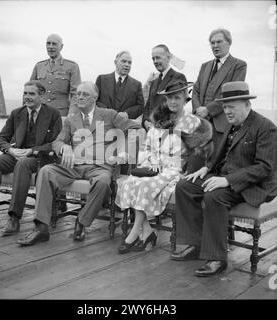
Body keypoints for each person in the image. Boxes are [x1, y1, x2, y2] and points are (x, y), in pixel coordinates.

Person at [172, 81, 277, 277]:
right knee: (184, 185)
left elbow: (264, 168)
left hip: (252, 185)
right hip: (224, 177)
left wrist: (228, 180)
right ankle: (195, 244)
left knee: (215, 195)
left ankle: (217, 258)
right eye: (225, 106)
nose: (227, 111)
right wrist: (206, 168)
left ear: (247, 104)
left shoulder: (266, 127)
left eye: (232, 106)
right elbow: (222, 156)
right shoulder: (234, 124)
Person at [16, 81, 141, 246]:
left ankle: (81, 222)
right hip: (73, 166)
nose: (80, 97)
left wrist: (124, 152)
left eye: (85, 94)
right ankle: (41, 227)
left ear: (95, 97)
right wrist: (64, 147)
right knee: (46, 171)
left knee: (103, 182)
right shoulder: (71, 120)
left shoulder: (109, 115)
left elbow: (135, 129)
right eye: (78, 94)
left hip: (100, 167)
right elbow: (57, 142)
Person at [115, 80, 213, 254]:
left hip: (177, 170)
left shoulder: (194, 123)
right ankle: (147, 231)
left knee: (145, 185)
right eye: (170, 98)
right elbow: (149, 147)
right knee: (130, 182)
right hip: (155, 166)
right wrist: (152, 163)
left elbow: (199, 156)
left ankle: (134, 233)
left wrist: (185, 172)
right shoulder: (160, 120)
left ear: (185, 99)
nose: (173, 102)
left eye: (177, 98)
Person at [0, 80, 62, 235]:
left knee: (22, 165)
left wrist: (32, 150)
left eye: (31, 94)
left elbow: (56, 142)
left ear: (41, 96)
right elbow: (0, 138)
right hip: (16, 154)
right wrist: (10, 150)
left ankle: (14, 217)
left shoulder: (53, 114)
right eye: (25, 93)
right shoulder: (17, 113)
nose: (27, 97)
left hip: (38, 158)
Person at [192, 28, 247, 150]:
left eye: (219, 42)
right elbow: (196, 91)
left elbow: (231, 94)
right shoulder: (204, 66)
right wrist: (198, 110)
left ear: (229, 43)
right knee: (197, 162)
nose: (215, 45)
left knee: (216, 165)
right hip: (200, 123)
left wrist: (208, 109)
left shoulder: (239, 65)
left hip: (222, 125)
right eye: (212, 43)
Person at [30, 34, 81, 116]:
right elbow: (29, 90)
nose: (50, 46)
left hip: (61, 114)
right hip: (40, 113)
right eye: (48, 43)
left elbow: (75, 94)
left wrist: (72, 114)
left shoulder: (72, 66)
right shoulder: (39, 66)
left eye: (54, 44)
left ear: (61, 47)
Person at [142, 44, 187, 131]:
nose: (155, 61)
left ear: (168, 57)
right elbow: (148, 106)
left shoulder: (178, 77)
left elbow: (177, 107)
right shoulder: (154, 81)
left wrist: (158, 125)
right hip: (151, 132)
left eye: (158, 57)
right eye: (153, 58)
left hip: (168, 131)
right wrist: (145, 121)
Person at [95, 51, 144, 120]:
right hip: (101, 123)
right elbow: (94, 100)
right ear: (115, 62)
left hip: (124, 125)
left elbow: (140, 106)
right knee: (99, 131)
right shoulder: (101, 79)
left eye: (129, 62)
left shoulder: (137, 85)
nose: (127, 65)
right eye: (124, 61)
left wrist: (126, 114)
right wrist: (107, 112)